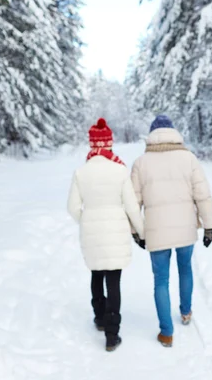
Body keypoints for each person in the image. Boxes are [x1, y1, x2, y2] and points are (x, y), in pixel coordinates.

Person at [131, 115, 212, 348]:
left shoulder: (141, 163)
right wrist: (209, 227)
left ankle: (167, 332)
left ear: (151, 136)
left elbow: (132, 203)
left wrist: (137, 232)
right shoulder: (188, 159)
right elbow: (203, 195)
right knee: (185, 269)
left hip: (156, 232)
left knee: (161, 279)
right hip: (185, 229)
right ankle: (186, 312)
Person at [67, 118, 144, 352]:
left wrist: (87, 221)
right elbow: (131, 207)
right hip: (115, 231)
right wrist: (141, 232)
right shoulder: (120, 170)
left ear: (92, 144)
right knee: (113, 281)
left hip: (91, 230)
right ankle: (112, 334)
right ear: (109, 143)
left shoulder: (81, 172)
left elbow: (72, 207)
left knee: (96, 275)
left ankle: (99, 318)